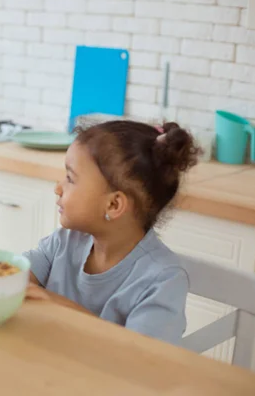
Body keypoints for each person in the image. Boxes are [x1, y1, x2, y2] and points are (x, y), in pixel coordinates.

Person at [24, 121, 200, 345]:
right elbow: (11, 276)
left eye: (70, 179)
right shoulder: (64, 242)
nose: (58, 188)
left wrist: (53, 303)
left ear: (114, 205)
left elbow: (142, 359)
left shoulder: (162, 280)